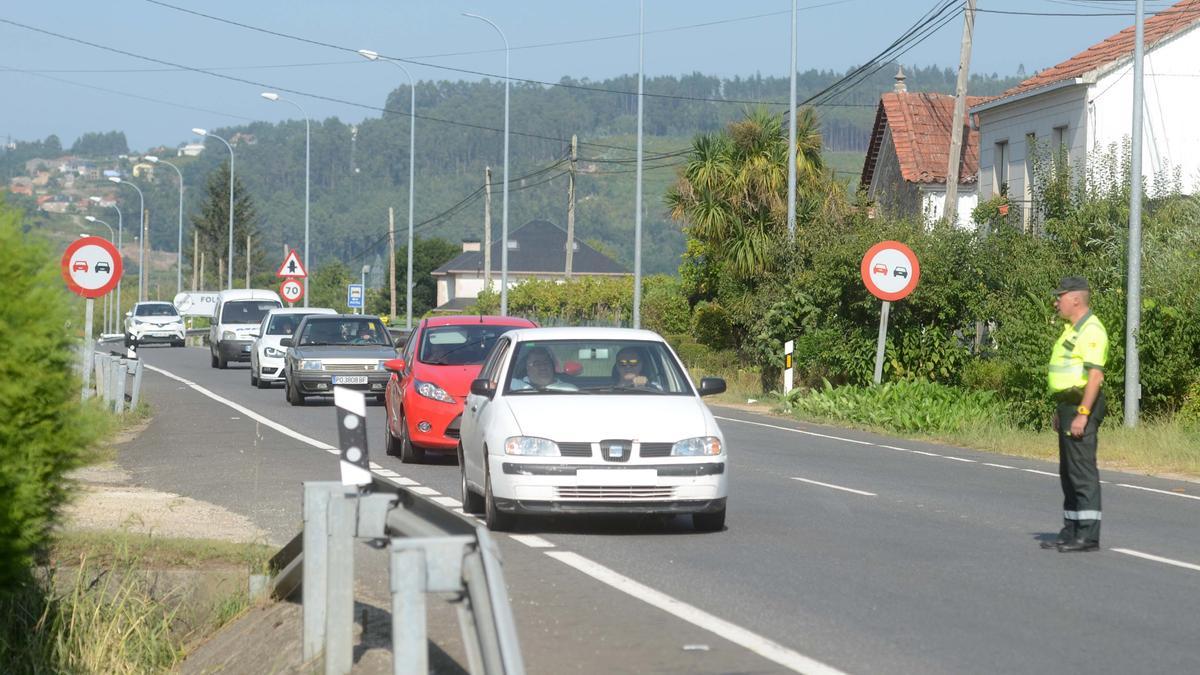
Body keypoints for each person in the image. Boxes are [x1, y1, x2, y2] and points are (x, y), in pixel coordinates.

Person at [1043, 276, 1108, 553]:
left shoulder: (1091, 330)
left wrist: (1082, 413)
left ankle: (1088, 535)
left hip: (1083, 403)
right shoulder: (1072, 329)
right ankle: (1071, 529)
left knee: (1082, 471)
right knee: (1068, 472)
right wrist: (1063, 409)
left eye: (1061, 296)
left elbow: (1095, 377)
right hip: (1068, 404)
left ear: (1076, 299)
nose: (1056, 302)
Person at [511, 346, 577, 391]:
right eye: (537, 364)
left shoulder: (569, 389)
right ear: (527, 368)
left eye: (546, 362)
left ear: (552, 366)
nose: (543, 367)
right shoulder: (512, 386)